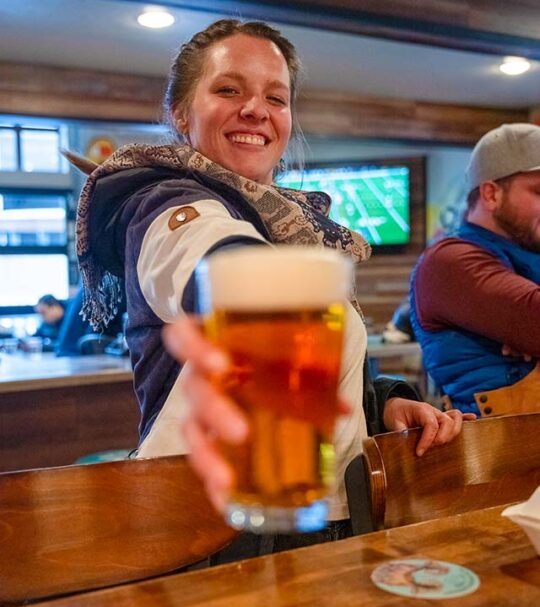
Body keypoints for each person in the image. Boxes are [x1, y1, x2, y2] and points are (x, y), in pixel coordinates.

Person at [72, 19, 471, 550]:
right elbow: (216, 262)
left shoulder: (297, 227)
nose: (256, 109)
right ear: (181, 112)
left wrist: (386, 404)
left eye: (275, 97)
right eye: (228, 89)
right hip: (216, 529)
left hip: (330, 517)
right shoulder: (164, 203)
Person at [410, 123, 540, 417]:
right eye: (539, 191)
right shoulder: (449, 262)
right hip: (504, 457)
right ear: (491, 194)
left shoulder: (525, 251)